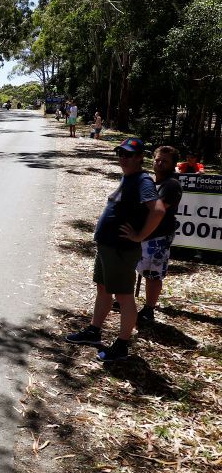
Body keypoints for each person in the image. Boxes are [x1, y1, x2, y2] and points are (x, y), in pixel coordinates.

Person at [65, 138, 165, 362]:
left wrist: (140, 236)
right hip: (108, 247)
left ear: (140, 157)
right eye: (121, 153)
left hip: (121, 249)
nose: (123, 157)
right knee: (103, 288)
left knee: (124, 296)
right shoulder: (129, 177)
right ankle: (94, 331)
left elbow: (158, 210)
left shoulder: (142, 180)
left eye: (129, 154)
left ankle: (121, 345)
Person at [135, 146, 183, 326]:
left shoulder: (171, 185)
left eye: (165, 161)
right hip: (144, 235)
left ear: (173, 165)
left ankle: (149, 309)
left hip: (158, 237)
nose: (160, 163)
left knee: (154, 274)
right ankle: (126, 300)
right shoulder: (154, 181)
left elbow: (157, 210)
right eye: (157, 159)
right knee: (139, 267)